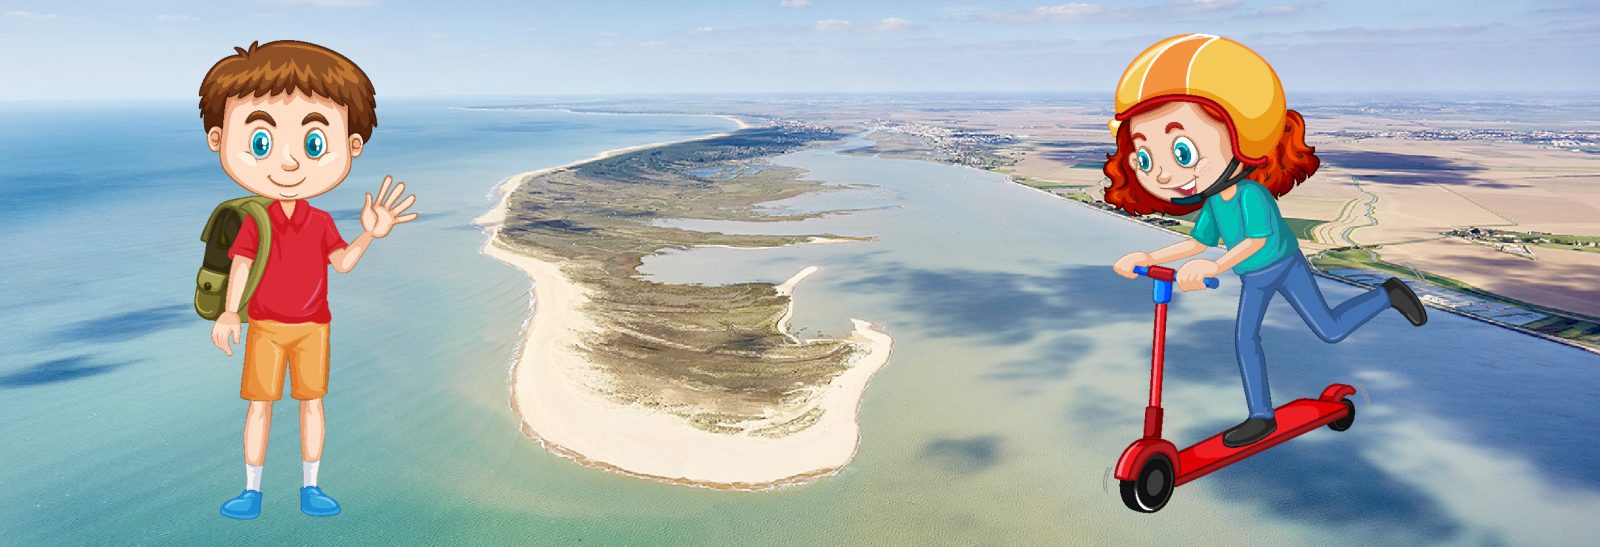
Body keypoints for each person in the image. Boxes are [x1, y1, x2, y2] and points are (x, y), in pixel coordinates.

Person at [1103, 34, 1427, 448]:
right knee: (1245, 338)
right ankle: (1261, 416)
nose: (1163, 174)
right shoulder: (1214, 204)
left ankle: (1387, 294)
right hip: (1253, 277)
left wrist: (1216, 267)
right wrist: (1148, 256)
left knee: (1328, 330)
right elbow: (1197, 243)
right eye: (1146, 158)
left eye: (1181, 151)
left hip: (1283, 266)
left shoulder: (1252, 195)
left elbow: (1256, 240)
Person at [199, 40, 419, 519]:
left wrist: (369, 234)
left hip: (313, 326)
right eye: (261, 143)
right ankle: (252, 491)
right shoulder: (255, 217)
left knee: (311, 406)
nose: (290, 162)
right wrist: (230, 312)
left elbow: (340, 264)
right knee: (260, 407)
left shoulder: (320, 221)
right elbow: (240, 264)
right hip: (265, 325)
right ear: (219, 139)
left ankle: (310, 487)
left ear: (351, 146)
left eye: (313, 143)